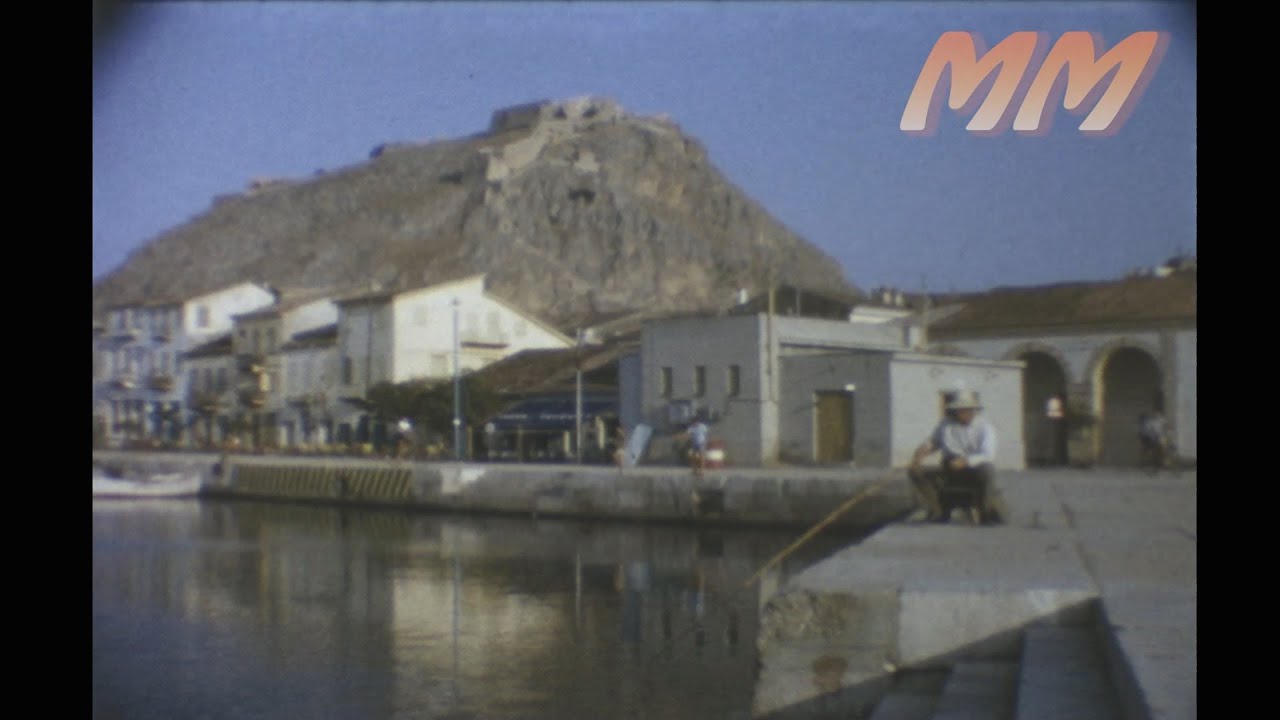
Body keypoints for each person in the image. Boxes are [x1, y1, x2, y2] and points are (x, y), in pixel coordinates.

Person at [908, 390, 1006, 525]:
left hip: (974, 468)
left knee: (988, 470)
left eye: (967, 410)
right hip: (949, 466)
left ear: (973, 410)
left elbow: (988, 454)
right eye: (960, 410)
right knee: (916, 472)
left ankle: (986, 513)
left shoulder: (985, 427)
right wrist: (921, 453)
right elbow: (933, 441)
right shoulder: (946, 424)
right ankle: (937, 511)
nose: (964, 413)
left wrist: (966, 461)